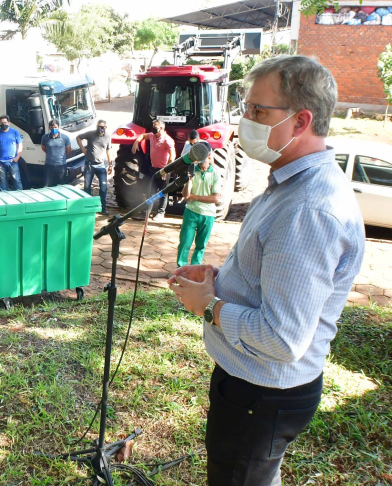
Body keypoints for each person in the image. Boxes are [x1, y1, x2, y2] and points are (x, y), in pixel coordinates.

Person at [168, 55, 365, 486]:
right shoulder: (288, 183)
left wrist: (209, 306)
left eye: (258, 111)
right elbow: (274, 275)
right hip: (252, 385)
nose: (245, 122)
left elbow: (282, 338)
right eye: (246, 108)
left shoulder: (308, 210)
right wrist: (222, 275)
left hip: (262, 394)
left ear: (301, 121)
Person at [176, 145, 219, 267]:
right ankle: (181, 268)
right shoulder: (192, 170)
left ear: (209, 156)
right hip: (191, 212)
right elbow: (186, 195)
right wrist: (189, 181)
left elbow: (215, 198)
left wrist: (195, 197)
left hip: (208, 215)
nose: (201, 162)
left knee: (201, 245)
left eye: (203, 158)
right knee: (185, 242)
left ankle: (195, 268)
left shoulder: (215, 173)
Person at [131, 119, 175, 221]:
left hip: (164, 170)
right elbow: (143, 135)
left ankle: (160, 212)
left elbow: (172, 156)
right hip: (153, 169)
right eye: (153, 126)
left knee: (163, 192)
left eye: (155, 127)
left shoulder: (167, 140)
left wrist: (166, 170)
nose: (153, 129)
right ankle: (145, 213)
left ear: (162, 128)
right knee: (150, 191)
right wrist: (136, 142)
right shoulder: (152, 136)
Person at [77, 119, 113, 215]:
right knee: (87, 186)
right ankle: (87, 207)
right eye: (98, 126)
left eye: (102, 127)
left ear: (105, 128)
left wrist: (110, 164)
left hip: (101, 165)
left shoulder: (108, 137)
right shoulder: (91, 134)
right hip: (89, 164)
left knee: (103, 187)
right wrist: (83, 149)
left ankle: (103, 207)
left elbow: (108, 151)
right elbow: (78, 137)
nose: (100, 129)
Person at [0, 115, 23, 191]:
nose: (3, 124)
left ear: (9, 123)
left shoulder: (14, 132)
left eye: (5, 122)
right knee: (2, 182)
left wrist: (17, 157)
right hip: (0, 162)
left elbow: (20, 145)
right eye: (1, 123)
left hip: (12, 161)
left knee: (17, 180)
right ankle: (5, 198)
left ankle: (20, 197)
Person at [41, 118, 71, 187]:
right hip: (49, 165)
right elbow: (44, 148)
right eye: (52, 127)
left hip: (61, 166)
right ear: (49, 128)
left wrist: (60, 156)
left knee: (63, 186)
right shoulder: (45, 137)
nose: (54, 129)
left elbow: (68, 150)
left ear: (58, 127)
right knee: (47, 185)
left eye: (55, 127)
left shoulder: (65, 138)